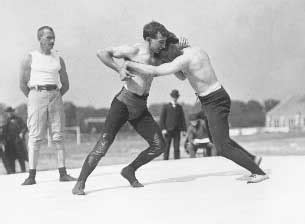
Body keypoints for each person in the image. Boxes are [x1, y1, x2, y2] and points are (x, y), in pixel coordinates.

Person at [123, 40, 267, 183]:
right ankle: (253, 160)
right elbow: (181, 75)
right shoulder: (192, 53)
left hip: (214, 102)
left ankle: (258, 172)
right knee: (222, 140)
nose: (164, 59)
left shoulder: (182, 59)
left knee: (222, 147)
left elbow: (155, 71)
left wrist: (130, 64)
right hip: (212, 100)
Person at [72, 21, 181, 195]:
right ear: (148, 39)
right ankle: (80, 182)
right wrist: (119, 70)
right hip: (123, 104)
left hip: (140, 108)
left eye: (164, 42)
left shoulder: (161, 54)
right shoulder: (134, 50)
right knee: (103, 145)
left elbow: (180, 75)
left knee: (159, 145)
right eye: (160, 42)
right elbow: (101, 53)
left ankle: (129, 170)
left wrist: (177, 52)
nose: (163, 45)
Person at [19, 26, 76, 185]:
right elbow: (22, 84)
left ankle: (63, 173)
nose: (52, 41)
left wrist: (54, 97)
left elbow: (65, 84)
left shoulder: (59, 59)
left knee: (58, 135)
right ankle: (31, 176)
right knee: (35, 136)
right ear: (40, 39)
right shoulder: (30, 58)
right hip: (36, 94)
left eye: (53, 37)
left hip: (55, 95)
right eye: (48, 38)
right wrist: (35, 98)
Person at [160, 89, 186, 160]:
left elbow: (182, 119)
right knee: (167, 146)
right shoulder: (166, 106)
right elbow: (162, 119)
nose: (175, 98)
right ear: (171, 97)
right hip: (168, 130)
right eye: (174, 97)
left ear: (178, 97)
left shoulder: (179, 107)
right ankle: (165, 160)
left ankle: (177, 161)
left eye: (176, 97)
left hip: (177, 130)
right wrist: (163, 129)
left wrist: (184, 130)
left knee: (177, 147)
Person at [4, 107, 28, 173]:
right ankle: (12, 172)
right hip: (10, 143)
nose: (9, 114)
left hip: (18, 141)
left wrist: (22, 133)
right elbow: (4, 131)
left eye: (11, 112)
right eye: (8, 113)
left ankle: (23, 170)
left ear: (13, 112)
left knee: (21, 156)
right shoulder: (6, 121)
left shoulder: (19, 119)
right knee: (11, 157)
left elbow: (25, 127)